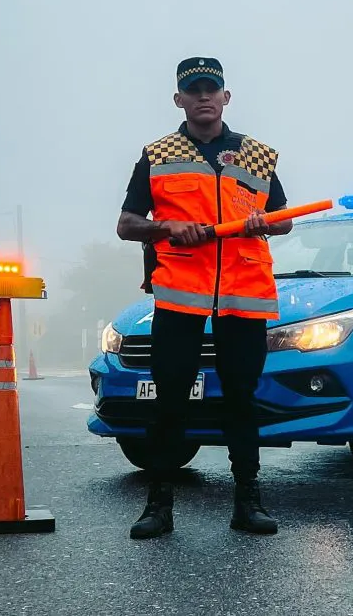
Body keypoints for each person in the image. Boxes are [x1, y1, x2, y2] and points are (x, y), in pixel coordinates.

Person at [116, 57, 293, 538]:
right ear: (180, 99)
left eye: (211, 88)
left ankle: (247, 502)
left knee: (241, 398)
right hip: (180, 296)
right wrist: (166, 227)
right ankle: (158, 504)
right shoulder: (157, 154)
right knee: (170, 400)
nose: (203, 97)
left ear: (226, 96)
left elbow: (284, 218)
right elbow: (127, 224)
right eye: (193, 90)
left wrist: (264, 222)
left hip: (243, 294)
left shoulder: (257, 154)